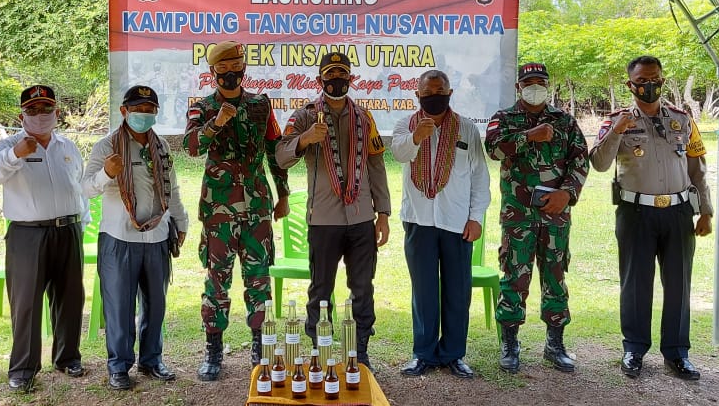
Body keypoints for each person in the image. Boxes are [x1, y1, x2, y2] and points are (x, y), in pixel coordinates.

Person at [590, 55, 713, 381]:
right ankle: (634, 348)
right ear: (630, 85)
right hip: (636, 213)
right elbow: (600, 163)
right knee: (635, 284)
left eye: (654, 78)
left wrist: (706, 210)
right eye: (641, 80)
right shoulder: (615, 120)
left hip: (678, 213)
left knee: (678, 285)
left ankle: (677, 353)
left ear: (661, 79)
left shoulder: (682, 120)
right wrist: (617, 131)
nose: (648, 85)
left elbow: (697, 169)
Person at [277, 50, 391, 369]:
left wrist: (382, 213)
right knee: (321, 288)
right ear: (320, 80)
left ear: (351, 79)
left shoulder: (364, 117)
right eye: (331, 76)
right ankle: (319, 349)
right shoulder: (305, 116)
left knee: (362, 286)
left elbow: (377, 164)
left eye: (342, 76)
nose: (337, 81)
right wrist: (305, 139)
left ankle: (360, 351)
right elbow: (281, 157)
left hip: (361, 219)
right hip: (324, 220)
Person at [184, 42, 288, 381]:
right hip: (219, 211)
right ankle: (213, 351)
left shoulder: (260, 105)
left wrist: (283, 193)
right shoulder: (202, 107)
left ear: (244, 69)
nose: (231, 75)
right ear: (213, 72)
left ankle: (261, 348)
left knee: (259, 278)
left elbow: (274, 149)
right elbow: (191, 147)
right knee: (217, 280)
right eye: (224, 70)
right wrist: (216, 122)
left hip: (257, 206)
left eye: (237, 69)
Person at [484, 62, 589, 374]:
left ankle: (555, 343)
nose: (535, 87)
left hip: (555, 215)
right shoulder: (504, 119)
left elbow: (580, 160)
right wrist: (528, 136)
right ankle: (510, 342)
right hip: (518, 215)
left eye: (540, 82)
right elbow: (493, 149)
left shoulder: (565, 122)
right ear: (519, 87)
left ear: (547, 85)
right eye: (528, 82)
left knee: (555, 277)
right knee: (514, 275)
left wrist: (567, 193)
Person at [0, 85, 87, 393]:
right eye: (33, 110)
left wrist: (82, 221)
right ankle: (24, 368)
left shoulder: (67, 146)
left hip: (68, 229)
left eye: (46, 109)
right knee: (26, 302)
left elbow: (77, 184)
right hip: (28, 234)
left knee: (70, 297)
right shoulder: (9, 145)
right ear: (21, 115)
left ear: (56, 112)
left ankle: (68, 357)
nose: (40, 116)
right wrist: (16, 154)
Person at [87, 84, 188, 389]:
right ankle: (119, 367)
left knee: (156, 304)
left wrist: (180, 222)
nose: (143, 114)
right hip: (119, 238)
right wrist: (106, 173)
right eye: (138, 109)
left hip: (156, 236)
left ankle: (151, 360)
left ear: (155, 112)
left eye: (149, 109)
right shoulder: (107, 147)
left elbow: (171, 188)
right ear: (124, 111)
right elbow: (84, 188)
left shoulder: (161, 147)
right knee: (119, 305)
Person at [392, 69, 490, 378]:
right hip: (418, 220)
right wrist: (417, 137)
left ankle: (453, 354)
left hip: (457, 221)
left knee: (457, 290)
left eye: (440, 92)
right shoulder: (404, 125)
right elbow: (398, 154)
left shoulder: (467, 129)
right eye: (428, 93)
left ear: (450, 94)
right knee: (423, 290)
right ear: (417, 95)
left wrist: (476, 218)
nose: (434, 97)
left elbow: (479, 177)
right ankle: (423, 354)